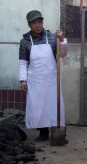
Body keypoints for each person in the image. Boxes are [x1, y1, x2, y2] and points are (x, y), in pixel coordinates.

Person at [18, 10, 68, 141]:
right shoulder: (25, 41)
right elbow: (23, 62)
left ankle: (57, 131)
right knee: (37, 106)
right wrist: (23, 79)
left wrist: (62, 40)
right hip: (35, 80)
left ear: (42, 22)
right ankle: (43, 132)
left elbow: (62, 54)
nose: (37, 25)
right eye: (34, 23)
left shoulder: (52, 37)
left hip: (51, 79)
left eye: (39, 22)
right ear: (29, 25)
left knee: (53, 104)